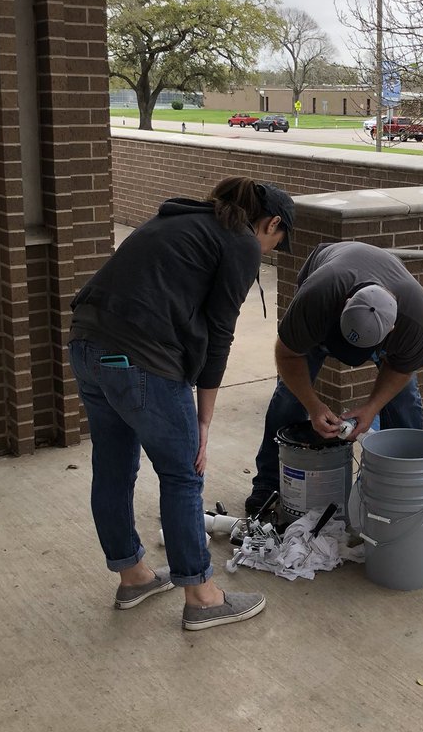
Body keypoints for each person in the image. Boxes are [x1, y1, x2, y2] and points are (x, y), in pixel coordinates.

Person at [68, 178, 295, 630]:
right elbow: (219, 336)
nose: (267, 252)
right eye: (276, 242)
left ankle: (134, 576)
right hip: (140, 359)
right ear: (270, 224)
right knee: (184, 474)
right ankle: (203, 597)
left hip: (87, 347)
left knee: (112, 468)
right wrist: (204, 420)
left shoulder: (178, 221)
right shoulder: (239, 241)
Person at [246, 241, 423, 516]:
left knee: (405, 401)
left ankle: (414, 493)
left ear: (391, 330)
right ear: (346, 303)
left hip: (382, 305)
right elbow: (288, 355)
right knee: (289, 396)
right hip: (327, 296)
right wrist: (313, 405)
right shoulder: (318, 295)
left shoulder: (415, 322)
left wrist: (372, 407)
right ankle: (268, 484)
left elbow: (401, 370)